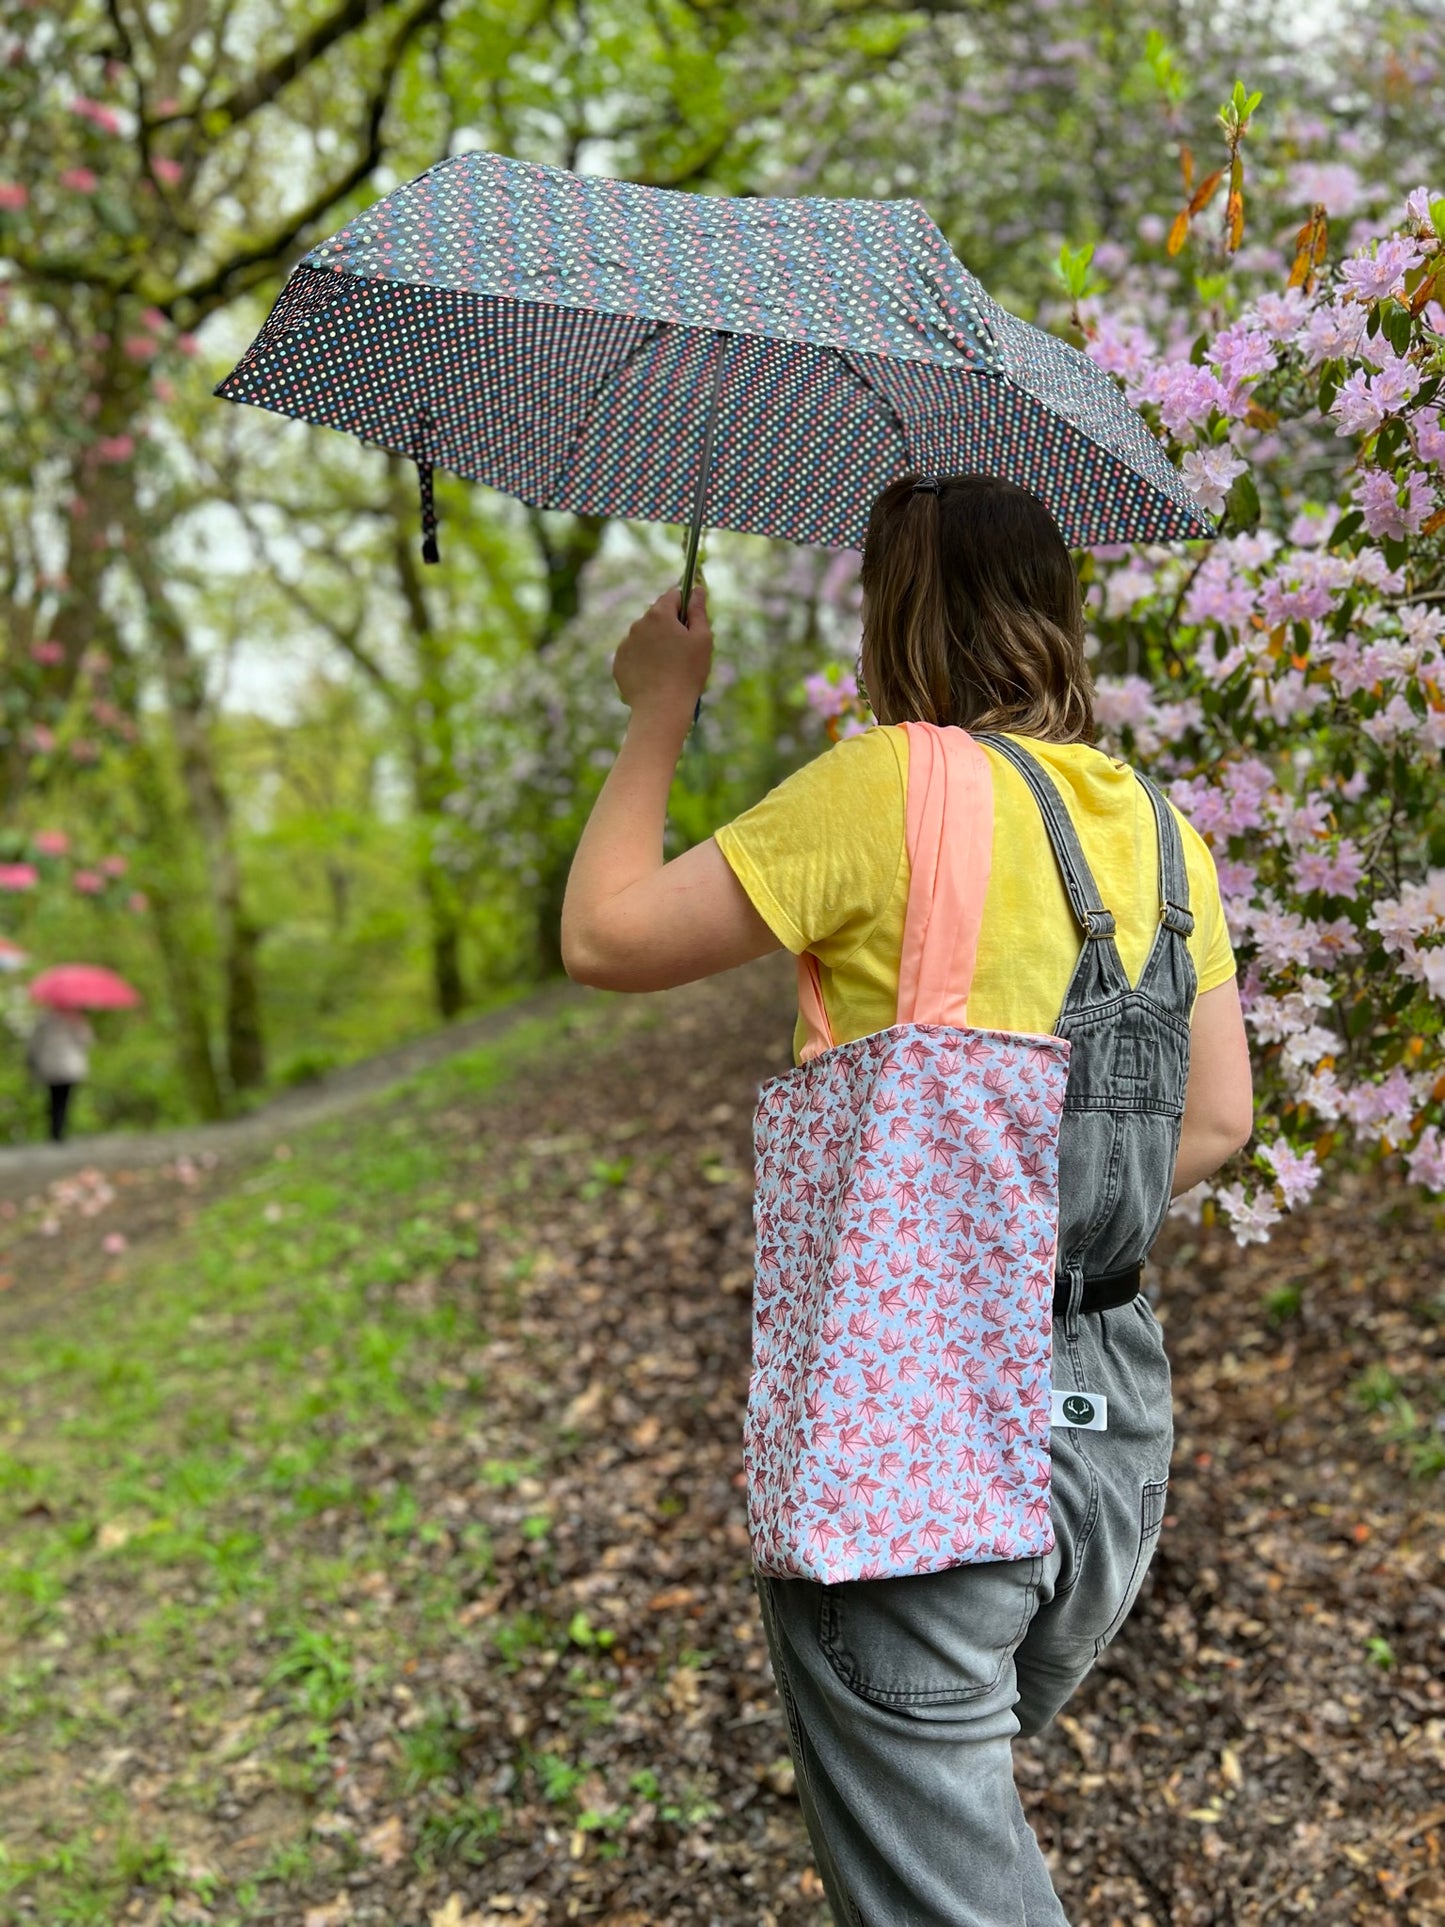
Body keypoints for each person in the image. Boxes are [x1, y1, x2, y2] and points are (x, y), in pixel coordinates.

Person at [560, 471, 1254, 1926]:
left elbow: (606, 935)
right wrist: (1034, 1207)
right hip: (1109, 1441)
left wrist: (658, 702)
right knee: (952, 1821)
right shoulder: (1159, 828)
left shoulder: (893, 782)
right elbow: (1216, 1121)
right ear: (1052, 609)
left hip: (923, 1435)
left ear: (897, 615)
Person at [26, 1007, 94, 1143]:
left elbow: (34, 1043)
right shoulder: (75, 1019)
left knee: (55, 1099)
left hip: (50, 1065)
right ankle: (59, 1131)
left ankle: (55, 1131)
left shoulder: (43, 1020)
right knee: (63, 1100)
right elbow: (87, 1041)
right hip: (68, 1066)